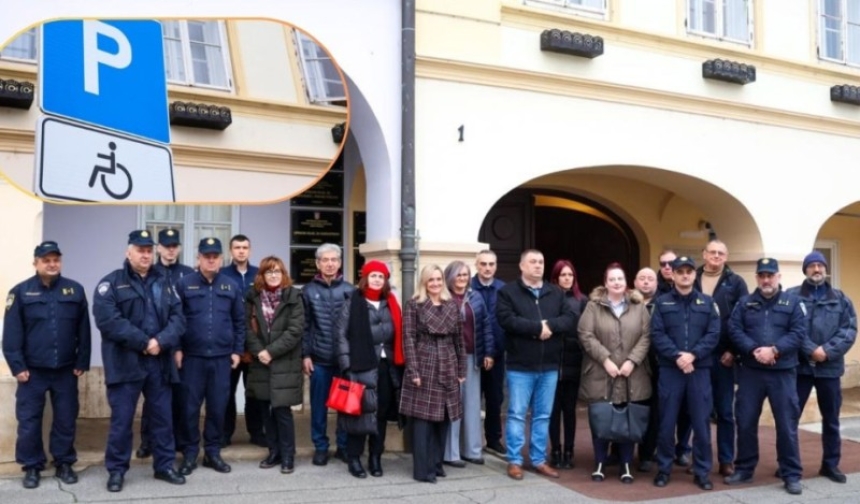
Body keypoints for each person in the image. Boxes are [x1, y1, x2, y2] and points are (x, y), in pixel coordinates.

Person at [92, 230, 186, 492]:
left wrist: (161, 342)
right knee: (122, 420)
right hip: (125, 362)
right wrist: (145, 343)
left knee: (162, 418)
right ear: (128, 252)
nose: (145, 254)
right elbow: (109, 322)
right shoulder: (110, 283)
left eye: (148, 250)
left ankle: (164, 466)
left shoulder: (165, 282)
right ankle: (117, 471)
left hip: (159, 362)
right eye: (139, 249)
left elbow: (179, 318)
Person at [2, 241, 91, 489]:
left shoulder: (74, 290)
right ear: (36, 263)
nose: (52, 264)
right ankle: (32, 466)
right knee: (29, 421)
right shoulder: (20, 292)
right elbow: (11, 335)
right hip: (32, 372)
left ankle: (63, 462)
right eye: (46, 260)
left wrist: (82, 361)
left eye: (56, 260)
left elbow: (83, 331)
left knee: (65, 419)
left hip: (65, 369)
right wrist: (17, 366)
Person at [727, 258, 806, 495]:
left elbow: (799, 332)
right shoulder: (745, 303)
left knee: (786, 425)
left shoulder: (793, 303)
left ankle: (791, 473)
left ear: (778, 277)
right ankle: (744, 468)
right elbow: (734, 330)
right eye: (762, 275)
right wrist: (754, 350)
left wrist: (774, 350)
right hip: (751, 372)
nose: (766, 279)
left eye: (770, 275)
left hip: (782, 373)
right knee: (746, 422)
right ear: (757, 278)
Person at [496, 249, 575, 481]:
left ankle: (539, 460)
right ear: (522, 266)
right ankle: (514, 460)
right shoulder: (507, 292)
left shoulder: (556, 293)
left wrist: (548, 325)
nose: (538, 266)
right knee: (517, 414)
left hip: (549, 365)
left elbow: (569, 319)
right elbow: (507, 320)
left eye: (541, 262)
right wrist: (536, 329)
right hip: (520, 365)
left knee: (543, 415)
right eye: (533, 262)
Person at [175, 238, 245, 476]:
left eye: (215, 255)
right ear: (198, 258)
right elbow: (175, 320)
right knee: (189, 408)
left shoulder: (230, 285)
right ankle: (190, 452)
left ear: (221, 258)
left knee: (217, 408)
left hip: (221, 359)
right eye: (207, 256)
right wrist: (177, 349)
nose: (211, 259)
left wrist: (237, 350)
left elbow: (239, 322)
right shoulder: (184, 284)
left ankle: (213, 452)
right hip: (192, 359)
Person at [786, 251, 857, 484]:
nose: (816, 269)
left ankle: (830, 464)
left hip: (829, 369)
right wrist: (810, 349)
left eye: (820, 265)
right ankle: (788, 465)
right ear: (805, 270)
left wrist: (827, 350)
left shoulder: (841, 298)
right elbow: (789, 327)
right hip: (799, 368)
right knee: (790, 419)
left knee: (831, 420)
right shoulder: (792, 296)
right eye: (812, 266)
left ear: (825, 269)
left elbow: (849, 330)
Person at [650, 256, 720, 491]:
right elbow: (657, 334)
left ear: (694, 275)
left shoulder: (707, 302)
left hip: (699, 370)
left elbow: (713, 334)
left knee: (701, 424)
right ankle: (664, 469)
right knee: (667, 422)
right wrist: (678, 356)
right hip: (671, 370)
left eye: (689, 271)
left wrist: (693, 355)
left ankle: (702, 472)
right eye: (680, 271)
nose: (685, 275)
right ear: (674, 275)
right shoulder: (662, 303)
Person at [578, 262, 651, 484]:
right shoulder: (593, 306)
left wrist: (632, 360)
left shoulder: (639, 307)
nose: (616, 283)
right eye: (612, 279)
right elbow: (585, 334)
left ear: (626, 282)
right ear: (605, 282)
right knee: (601, 418)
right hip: (601, 373)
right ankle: (600, 462)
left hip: (633, 374)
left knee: (628, 420)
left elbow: (646, 336)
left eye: (620, 279)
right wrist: (605, 359)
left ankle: (626, 464)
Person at [334, 260, 404, 478]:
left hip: (386, 366)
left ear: (385, 281)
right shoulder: (353, 302)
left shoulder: (390, 302)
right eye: (373, 275)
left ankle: (375, 457)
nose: (376, 280)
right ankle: (354, 458)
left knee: (380, 414)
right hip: (359, 366)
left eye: (381, 276)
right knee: (358, 414)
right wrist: (347, 366)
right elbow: (341, 336)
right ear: (365, 278)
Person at [400, 264, 466, 483]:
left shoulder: (452, 305)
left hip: (448, 361)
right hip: (425, 360)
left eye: (438, 279)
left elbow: (459, 339)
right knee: (423, 422)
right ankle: (423, 470)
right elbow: (408, 338)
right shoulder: (414, 305)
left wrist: (461, 368)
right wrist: (413, 370)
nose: (436, 283)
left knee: (444, 418)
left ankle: (437, 464)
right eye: (431, 280)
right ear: (424, 283)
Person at [137, 228, 194, 460]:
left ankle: (177, 440)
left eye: (174, 246)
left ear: (179, 248)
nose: (170, 250)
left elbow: (185, 314)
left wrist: (179, 347)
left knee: (179, 396)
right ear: (158, 248)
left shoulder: (188, 273)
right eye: (166, 246)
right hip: (155, 346)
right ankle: (147, 441)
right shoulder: (150, 272)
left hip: (180, 343)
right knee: (154, 399)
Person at [693, 239, 748, 477]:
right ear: (704, 254)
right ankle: (700, 460)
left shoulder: (735, 282)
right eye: (712, 252)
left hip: (724, 357)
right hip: (696, 356)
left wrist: (734, 352)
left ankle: (726, 459)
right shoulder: (691, 279)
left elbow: (743, 319)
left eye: (721, 253)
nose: (716, 256)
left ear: (726, 257)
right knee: (699, 411)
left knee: (725, 412)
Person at [245, 256, 305, 474]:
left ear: (283, 274)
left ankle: (288, 456)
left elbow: (295, 330)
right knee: (265, 410)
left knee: (282, 412)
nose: (273, 275)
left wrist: (271, 351)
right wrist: (260, 351)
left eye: (277, 271)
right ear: (262, 275)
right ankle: (274, 452)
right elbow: (246, 329)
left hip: (284, 361)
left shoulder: (294, 296)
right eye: (269, 272)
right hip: (261, 361)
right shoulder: (252, 297)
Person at [302, 243, 354, 465]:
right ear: (318, 263)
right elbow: (304, 326)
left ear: (340, 263)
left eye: (334, 260)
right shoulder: (308, 291)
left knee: (344, 407)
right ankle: (321, 447)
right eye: (325, 260)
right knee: (319, 408)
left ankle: (343, 446)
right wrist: (305, 355)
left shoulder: (350, 290)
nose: (330, 264)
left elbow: (355, 327)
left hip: (344, 361)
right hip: (319, 361)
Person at [442, 261, 495, 468]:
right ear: (450, 277)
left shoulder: (476, 297)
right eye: (458, 275)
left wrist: (488, 352)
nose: (462, 279)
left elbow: (485, 325)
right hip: (451, 357)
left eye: (465, 275)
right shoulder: (444, 297)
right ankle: (451, 453)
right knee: (453, 405)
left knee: (472, 405)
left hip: (473, 357)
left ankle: (472, 450)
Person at [220, 234, 265, 447]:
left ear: (250, 250)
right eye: (237, 247)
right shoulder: (221, 275)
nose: (241, 251)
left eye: (245, 247)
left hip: (254, 345)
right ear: (231, 251)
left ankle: (256, 432)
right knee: (226, 392)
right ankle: (224, 433)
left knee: (254, 392)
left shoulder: (259, 275)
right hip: (229, 345)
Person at [547, 259, 585, 470]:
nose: (567, 278)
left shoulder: (582, 301)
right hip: (552, 362)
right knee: (553, 410)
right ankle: (555, 450)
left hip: (573, 362)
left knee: (570, 409)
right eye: (563, 275)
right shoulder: (548, 300)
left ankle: (569, 450)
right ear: (556, 277)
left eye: (570, 275)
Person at [470, 249, 507, 456]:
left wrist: (497, 349)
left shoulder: (503, 289)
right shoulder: (466, 286)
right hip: (472, 354)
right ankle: (471, 440)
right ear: (476, 265)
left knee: (495, 398)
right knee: (471, 399)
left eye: (491, 264)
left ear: (496, 266)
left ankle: (493, 439)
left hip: (497, 354)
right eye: (483, 264)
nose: (487, 268)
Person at [633, 267, 661, 472]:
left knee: (653, 412)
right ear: (635, 282)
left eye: (650, 279)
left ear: (656, 283)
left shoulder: (663, 304)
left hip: (657, 365)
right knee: (627, 407)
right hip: (630, 365)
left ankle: (647, 453)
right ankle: (619, 452)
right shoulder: (627, 304)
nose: (646, 282)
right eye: (642, 278)